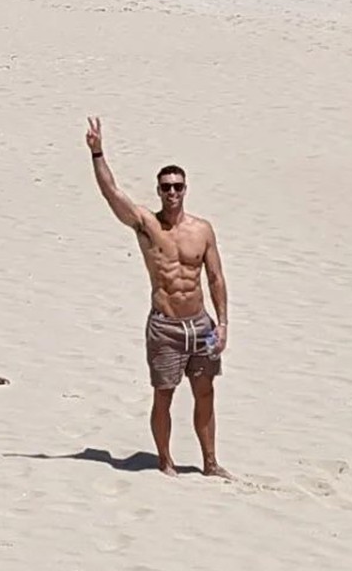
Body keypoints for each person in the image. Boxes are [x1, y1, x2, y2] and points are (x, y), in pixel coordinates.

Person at [85, 115, 231, 478]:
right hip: (165, 327)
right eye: (165, 187)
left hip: (200, 326)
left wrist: (223, 324)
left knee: (205, 393)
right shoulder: (147, 226)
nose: (171, 193)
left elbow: (215, 277)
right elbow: (112, 193)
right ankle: (165, 461)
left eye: (177, 186)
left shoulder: (202, 230)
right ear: (158, 190)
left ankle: (210, 463)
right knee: (163, 395)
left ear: (186, 189)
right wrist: (97, 152)